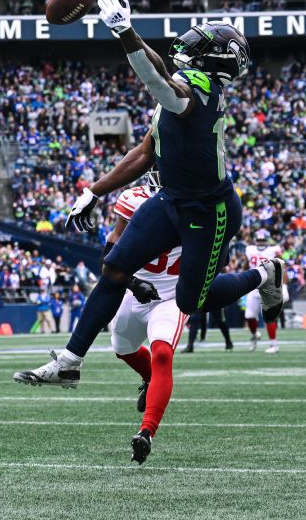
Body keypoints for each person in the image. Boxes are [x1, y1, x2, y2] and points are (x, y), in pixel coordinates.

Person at [17, 5, 282, 388]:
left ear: (213, 58)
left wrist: (124, 32)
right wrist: (94, 191)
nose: (188, 44)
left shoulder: (201, 93)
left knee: (191, 300)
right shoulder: (187, 83)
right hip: (172, 199)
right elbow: (144, 152)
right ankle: (69, 363)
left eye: (201, 43)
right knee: (114, 268)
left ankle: (264, 273)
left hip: (209, 210)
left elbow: (158, 82)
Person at [103, 176, 190, 464]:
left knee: (163, 354)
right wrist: (128, 281)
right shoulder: (133, 198)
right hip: (136, 289)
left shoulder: (197, 198)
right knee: (122, 347)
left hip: (171, 296)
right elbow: (112, 247)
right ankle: (149, 377)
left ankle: (146, 432)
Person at [243, 229, 284, 353]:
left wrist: (283, 284)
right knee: (249, 316)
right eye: (259, 240)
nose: (260, 242)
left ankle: (274, 344)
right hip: (253, 285)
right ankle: (255, 335)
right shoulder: (250, 249)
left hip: (268, 285)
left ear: (267, 240)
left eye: (263, 240)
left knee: (269, 316)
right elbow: (247, 264)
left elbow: (281, 266)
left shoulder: (273, 250)